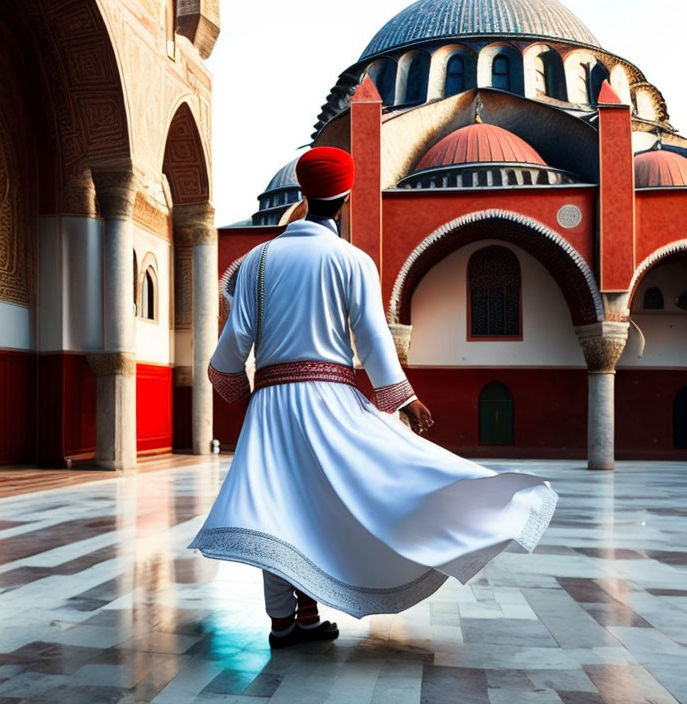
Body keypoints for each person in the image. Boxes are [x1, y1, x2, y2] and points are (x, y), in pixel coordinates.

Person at [189, 147, 557, 649]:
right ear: (343, 198)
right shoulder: (352, 260)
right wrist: (404, 398)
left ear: (302, 193)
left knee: (274, 509)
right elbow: (372, 336)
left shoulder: (256, 261)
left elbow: (235, 341)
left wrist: (233, 383)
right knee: (337, 499)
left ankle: (286, 623)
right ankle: (308, 612)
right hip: (329, 399)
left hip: (272, 403)